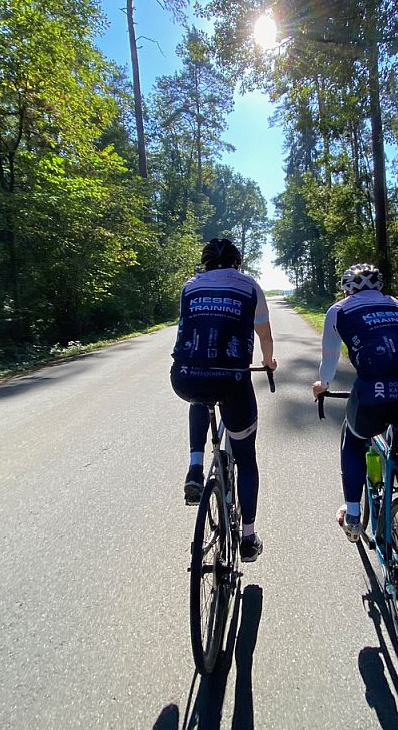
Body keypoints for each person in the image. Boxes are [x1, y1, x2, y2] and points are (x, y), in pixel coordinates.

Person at [311, 263, 398, 542]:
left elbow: (331, 358)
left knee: (354, 438)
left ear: (346, 288)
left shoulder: (339, 310)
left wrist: (323, 386)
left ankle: (354, 517)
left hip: (377, 391)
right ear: (380, 286)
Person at [171, 238, 276, 562]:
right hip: (232, 379)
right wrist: (268, 362)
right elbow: (265, 338)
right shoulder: (249, 287)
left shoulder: (190, 287)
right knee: (246, 458)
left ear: (205, 264)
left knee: (199, 396)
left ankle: (195, 467)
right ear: (237, 262)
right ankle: (247, 537)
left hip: (185, 376)